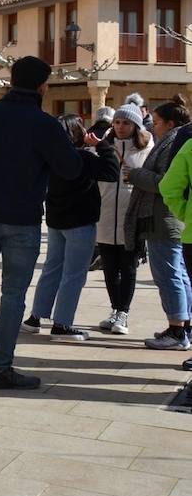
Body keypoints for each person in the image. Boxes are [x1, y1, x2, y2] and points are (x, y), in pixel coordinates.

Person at [0, 56, 83, 390]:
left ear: (12, 80)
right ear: (42, 86)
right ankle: (0, 368)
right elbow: (70, 169)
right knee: (12, 296)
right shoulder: (43, 124)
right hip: (22, 219)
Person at [21, 115, 119, 342]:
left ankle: (36, 317)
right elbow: (111, 172)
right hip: (80, 222)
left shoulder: (51, 158)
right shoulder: (82, 157)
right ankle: (62, 324)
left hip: (57, 220)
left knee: (52, 268)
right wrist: (102, 145)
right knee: (74, 275)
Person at [134, 99, 192, 347]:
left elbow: (166, 184)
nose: (152, 127)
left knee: (169, 275)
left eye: (156, 123)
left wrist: (135, 173)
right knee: (179, 275)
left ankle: (177, 330)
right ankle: (183, 327)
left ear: (170, 124)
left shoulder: (178, 143)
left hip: (166, 219)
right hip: (175, 220)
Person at [94, 105, 153, 335]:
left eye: (126, 123)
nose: (120, 127)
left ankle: (123, 312)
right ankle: (114, 310)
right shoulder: (103, 146)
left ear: (136, 125)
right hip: (105, 215)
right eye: (117, 122)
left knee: (128, 267)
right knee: (109, 267)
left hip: (132, 217)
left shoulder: (147, 148)